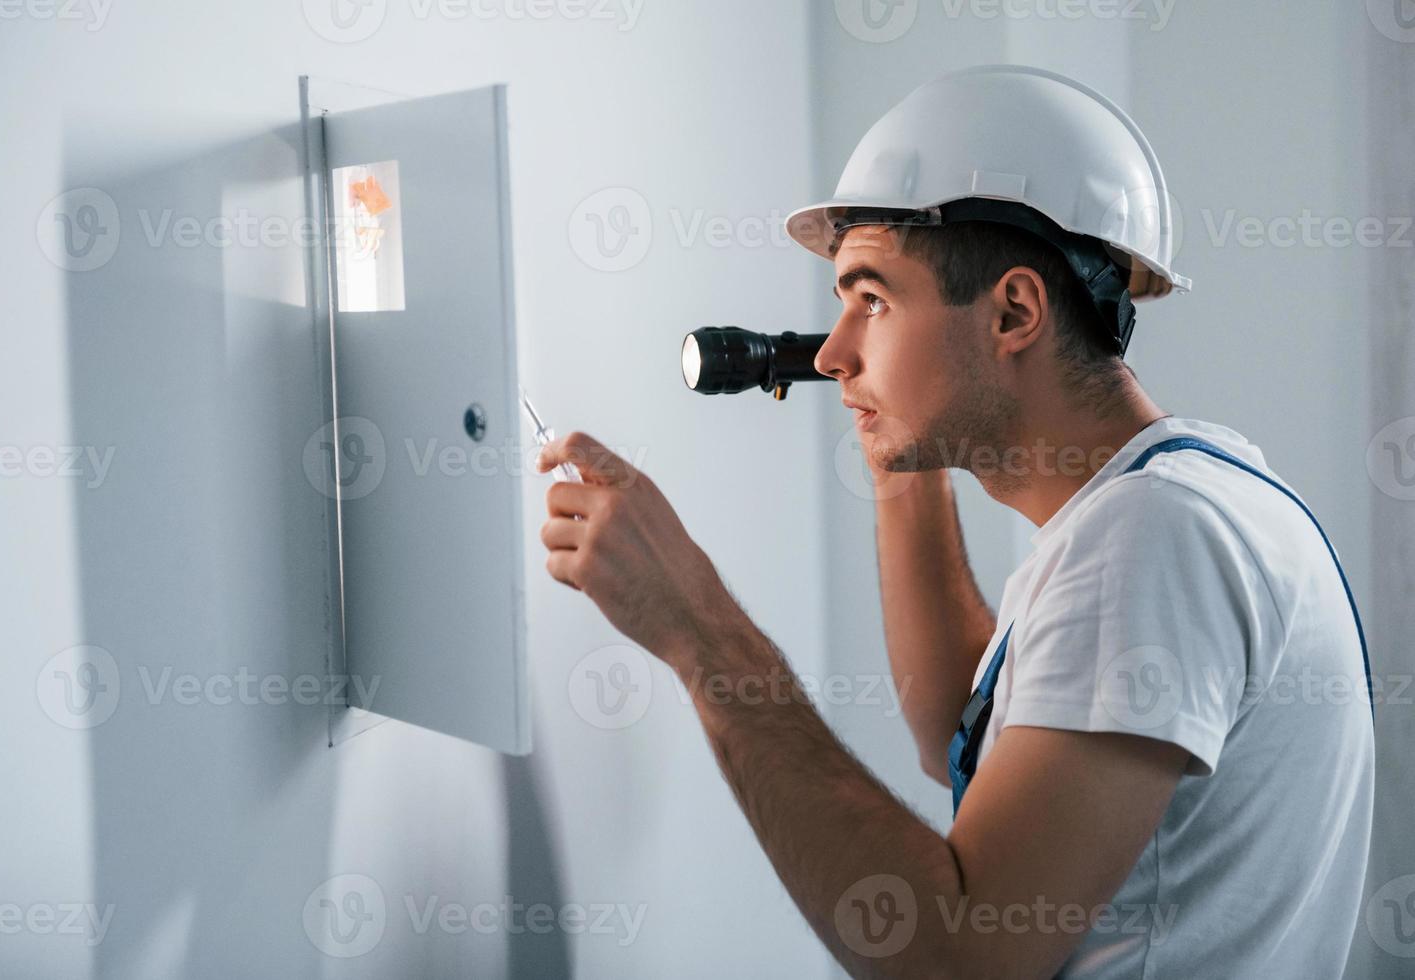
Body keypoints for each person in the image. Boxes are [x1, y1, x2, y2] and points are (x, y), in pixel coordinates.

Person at [536, 65, 1375, 978]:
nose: (830, 353)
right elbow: (958, 731)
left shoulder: (1149, 544)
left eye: (871, 301)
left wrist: (698, 629)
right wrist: (900, 450)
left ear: (1013, 311)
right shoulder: (1191, 496)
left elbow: (953, 957)